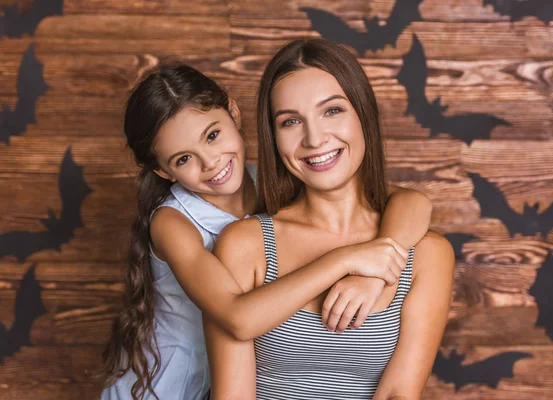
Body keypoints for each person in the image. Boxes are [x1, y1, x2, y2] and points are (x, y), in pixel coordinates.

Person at [100, 63, 434, 399]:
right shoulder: (172, 223)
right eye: (184, 159)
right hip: (165, 385)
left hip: (231, 373)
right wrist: (344, 260)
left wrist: (376, 272)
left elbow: (411, 201)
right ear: (163, 170)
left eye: (213, 136)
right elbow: (239, 319)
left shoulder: (274, 182)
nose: (211, 162)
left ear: (233, 111)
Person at [204, 38, 455, 400]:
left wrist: (374, 273)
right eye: (291, 121)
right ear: (274, 138)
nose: (315, 138)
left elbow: (398, 393)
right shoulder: (246, 245)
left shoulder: (427, 253)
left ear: (363, 115)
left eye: (332, 111)